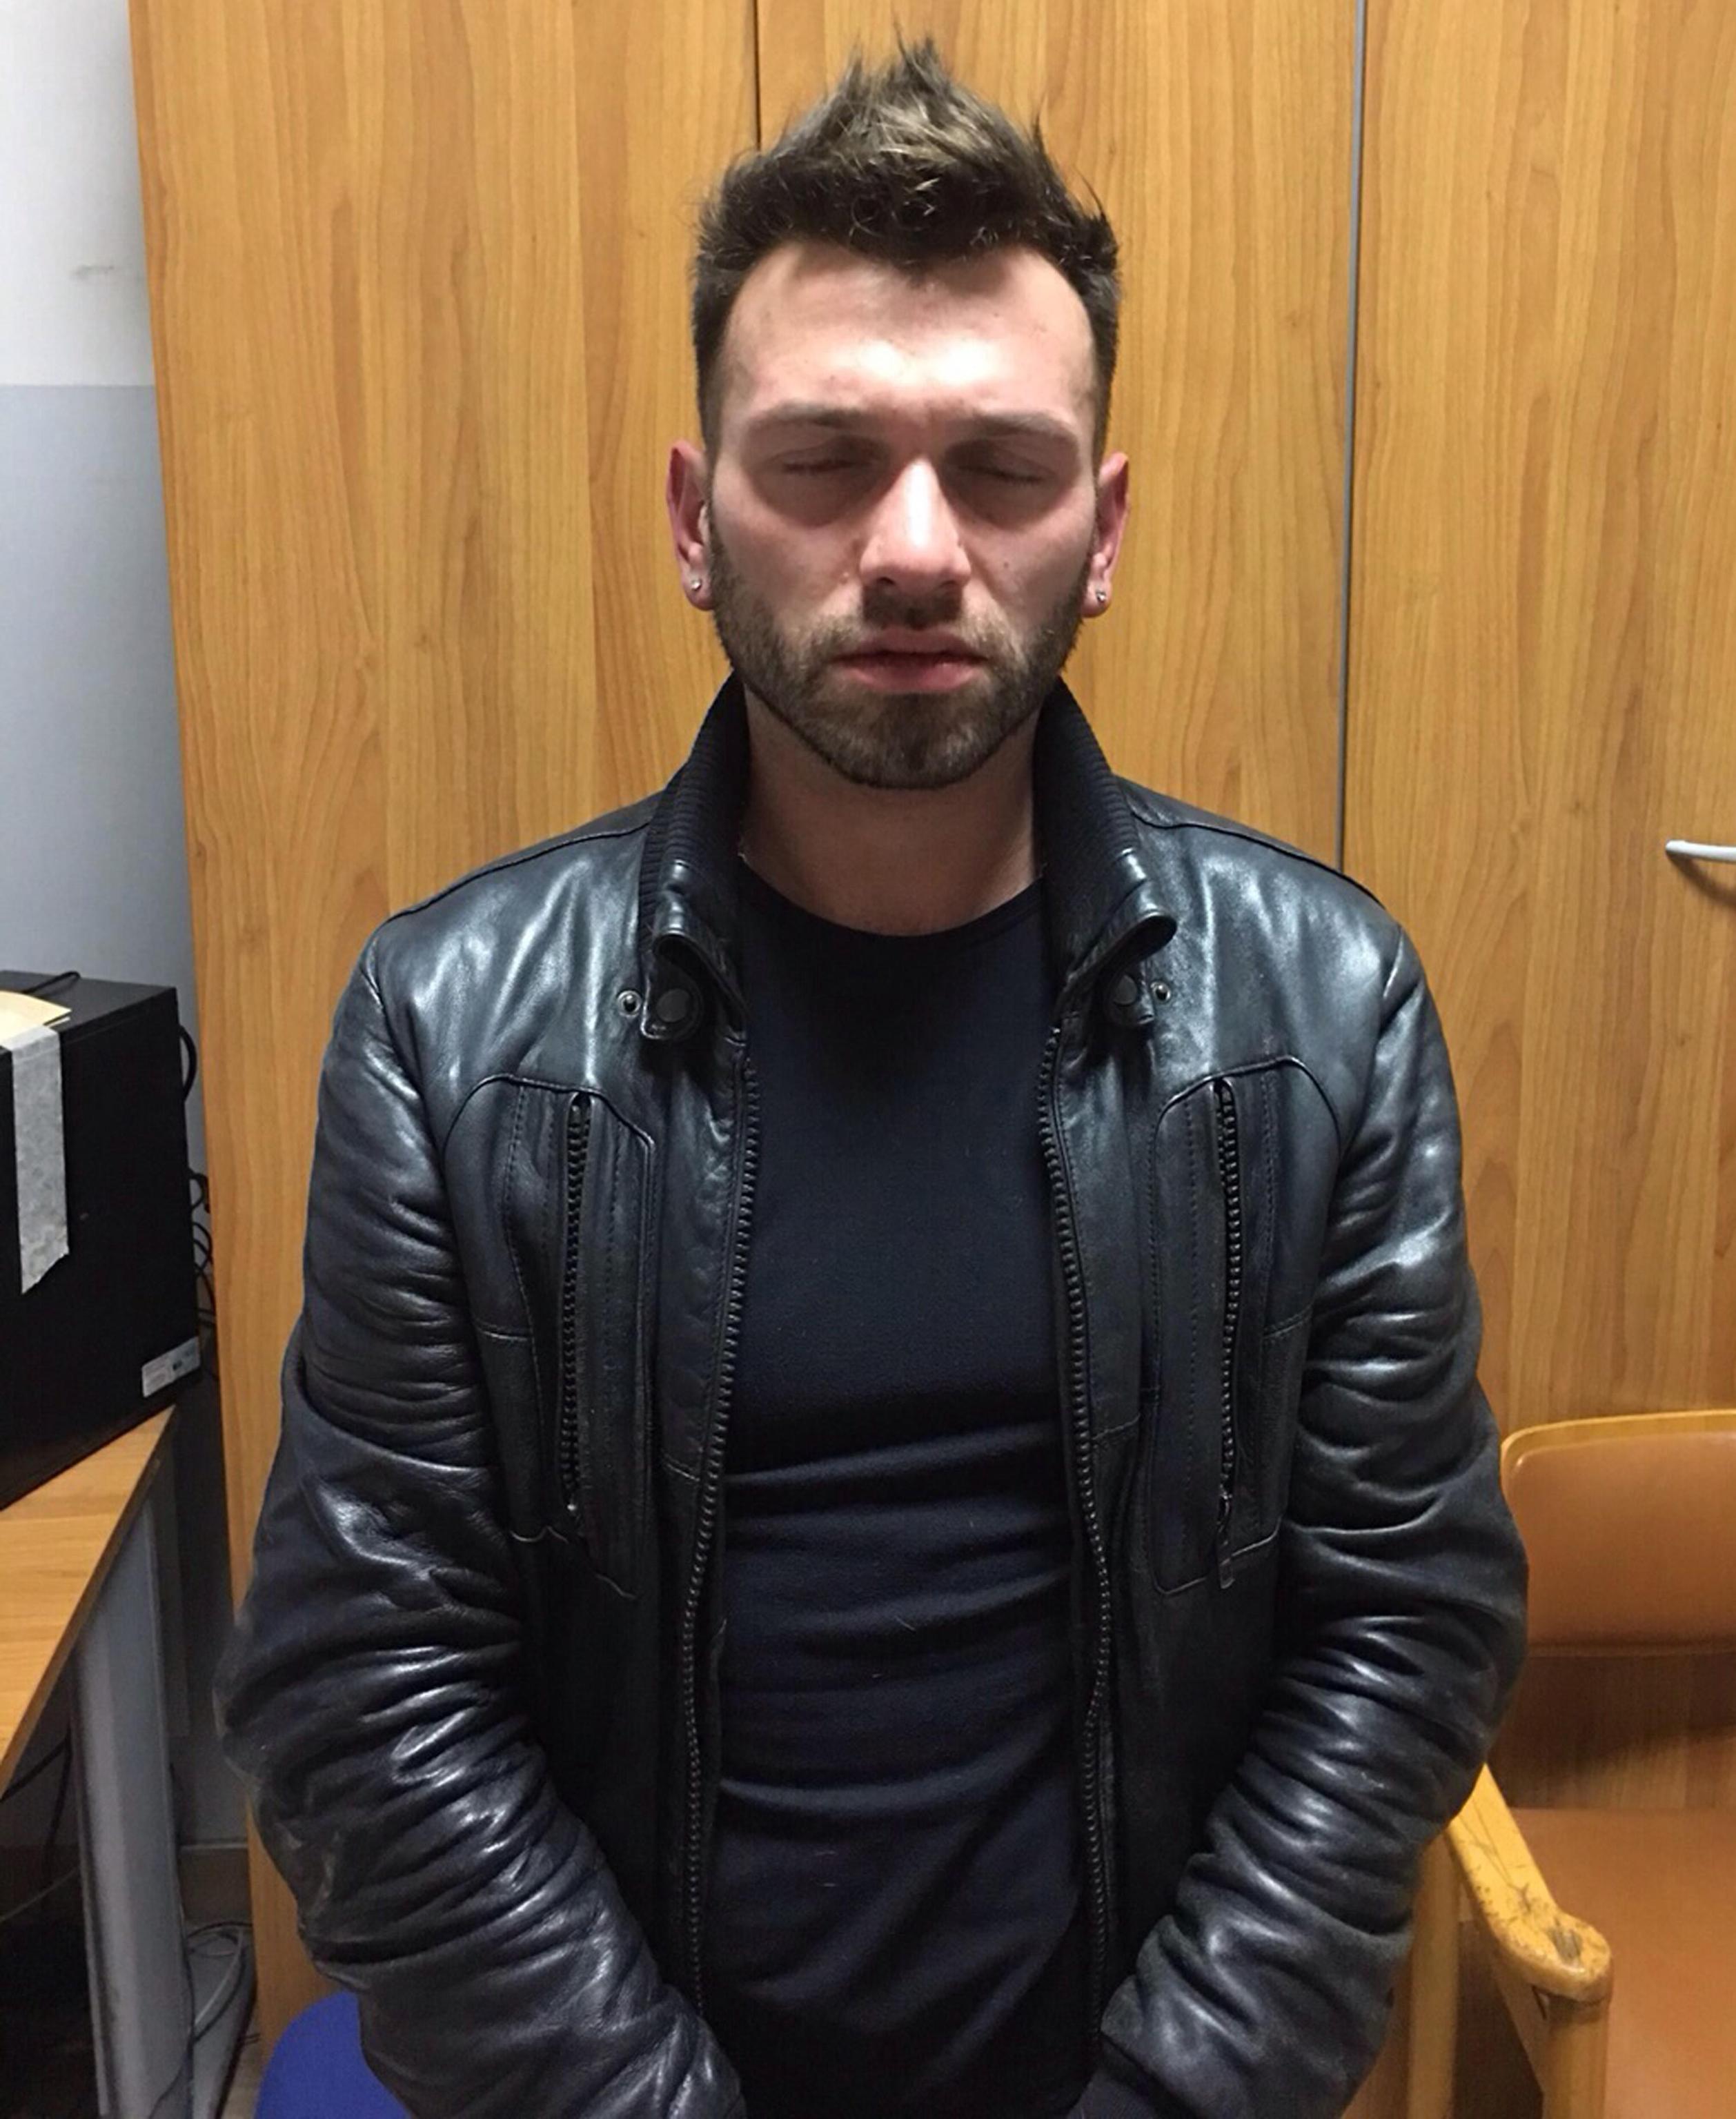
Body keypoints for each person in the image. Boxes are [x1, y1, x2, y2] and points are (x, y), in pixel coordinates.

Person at [217, 42, 1527, 2119]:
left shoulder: (1323, 1008)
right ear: (694, 517)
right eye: (823, 461)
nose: (914, 548)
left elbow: (1401, 1633)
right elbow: (360, 1693)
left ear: (1100, 530)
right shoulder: (451, 1030)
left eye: (1000, 470)